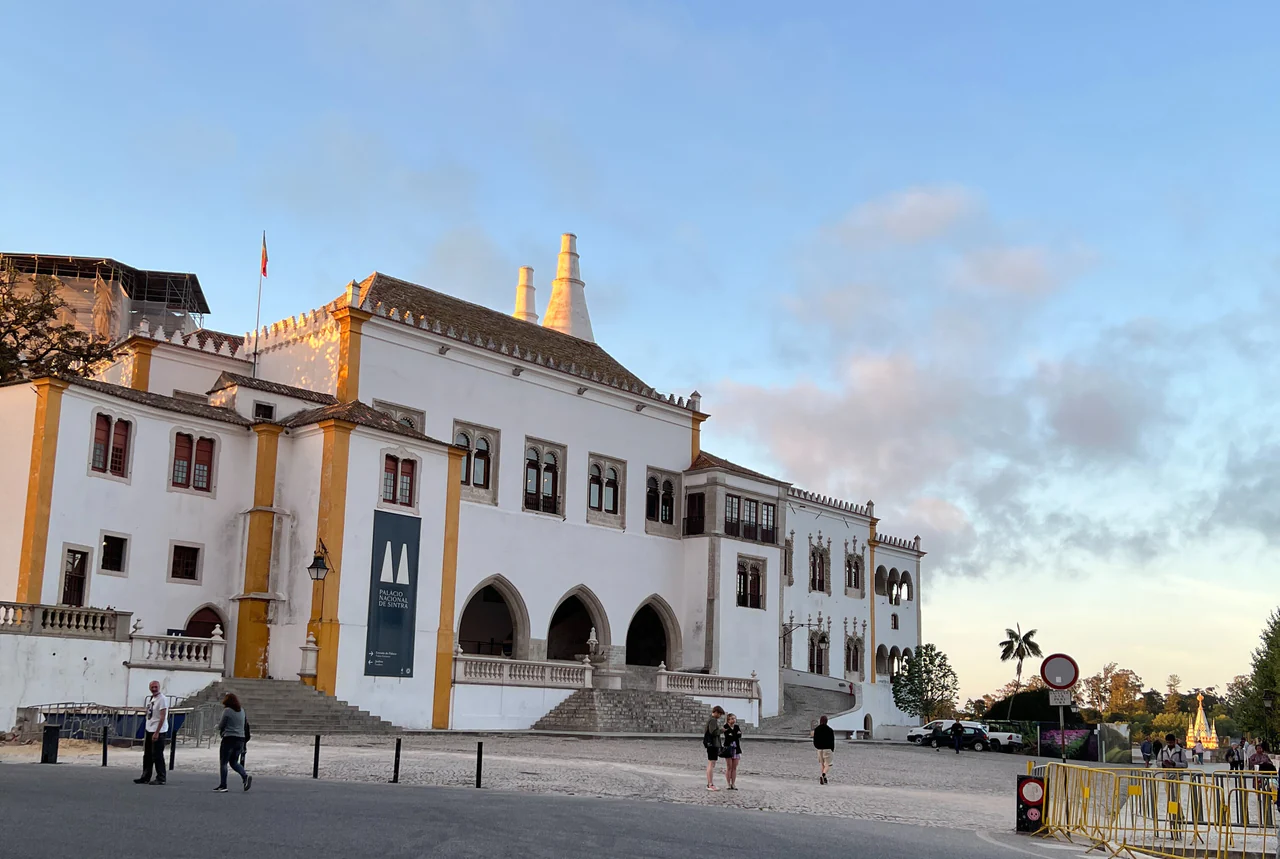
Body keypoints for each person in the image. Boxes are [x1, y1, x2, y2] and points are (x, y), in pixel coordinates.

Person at [214, 693, 252, 793]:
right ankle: (245, 776)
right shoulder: (242, 711)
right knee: (234, 762)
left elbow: (222, 725)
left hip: (229, 739)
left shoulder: (227, 711)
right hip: (240, 739)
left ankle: (223, 785)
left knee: (223, 762)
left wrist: (216, 727)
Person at [134, 680, 168, 786]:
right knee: (147, 754)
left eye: (155, 687)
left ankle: (161, 777)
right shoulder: (152, 698)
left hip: (157, 730)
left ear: (159, 687)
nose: (154, 689)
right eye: (152, 687)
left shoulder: (162, 699)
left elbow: (162, 716)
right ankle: (145, 776)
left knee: (157, 755)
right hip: (149, 728)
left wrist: (157, 732)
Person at [703, 706, 724, 791]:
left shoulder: (712, 720)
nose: (719, 716)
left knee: (711, 764)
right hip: (712, 745)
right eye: (719, 714)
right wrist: (721, 730)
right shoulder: (712, 720)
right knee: (711, 764)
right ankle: (710, 784)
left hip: (712, 745)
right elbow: (713, 732)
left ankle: (710, 783)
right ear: (715, 712)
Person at [722, 713, 743, 790]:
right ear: (728, 719)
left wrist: (735, 734)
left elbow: (739, 735)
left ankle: (733, 783)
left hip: (736, 749)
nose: (734, 720)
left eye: (734, 718)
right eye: (732, 718)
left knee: (734, 768)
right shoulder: (725, 727)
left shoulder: (737, 727)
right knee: (729, 767)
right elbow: (729, 736)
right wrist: (735, 734)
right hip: (728, 749)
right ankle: (728, 783)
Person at [813, 715, 835, 784]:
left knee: (822, 764)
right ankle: (823, 774)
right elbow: (832, 740)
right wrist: (832, 749)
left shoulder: (817, 729)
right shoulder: (830, 730)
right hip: (827, 748)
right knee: (828, 764)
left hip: (819, 749)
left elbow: (815, 740)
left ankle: (824, 778)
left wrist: (817, 746)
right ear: (826, 721)